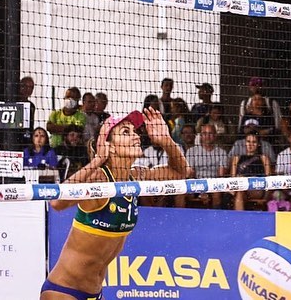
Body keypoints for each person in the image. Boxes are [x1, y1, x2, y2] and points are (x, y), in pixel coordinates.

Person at [42, 109, 187, 300]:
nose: (136, 136)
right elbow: (57, 202)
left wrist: (167, 141)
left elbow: (180, 173)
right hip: (64, 290)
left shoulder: (136, 177)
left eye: (134, 131)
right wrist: (98, 160)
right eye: (126, 132)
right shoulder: (100, 180)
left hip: (95, 293)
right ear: (109, 147)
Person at [231, 132, 272, 211]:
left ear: (258, 144)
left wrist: (266, 198)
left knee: (239, 190)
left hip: (257, 188)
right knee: (239, 192)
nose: (250, 145)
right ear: (245, 143)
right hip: (240, 188)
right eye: (248, 142)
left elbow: (268, 179)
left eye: (254, 142)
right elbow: (233, 178)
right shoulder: (236, 158)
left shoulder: (264, 158)